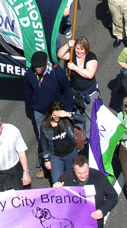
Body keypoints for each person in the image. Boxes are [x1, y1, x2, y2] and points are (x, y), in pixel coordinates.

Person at [25, 51, 74, 179]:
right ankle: (45, 166)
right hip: (40, 112)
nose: (37, 69)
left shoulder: (57, 72)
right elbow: (29, 92)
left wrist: (67, 111)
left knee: (62, 135)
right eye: (35, 67)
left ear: (46, 64)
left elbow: (67, 91)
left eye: (39, 67)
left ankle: (68, 161)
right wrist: (33, 105)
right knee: (43, 138)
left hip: (56, 111)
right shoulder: (29, 74)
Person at [57, 38, 100, 133]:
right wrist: (68, 45)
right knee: (77, 115)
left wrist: (75, 68)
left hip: (88, 93)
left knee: (90, 116)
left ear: (86, 49)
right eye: (77, 48)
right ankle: (80, 134)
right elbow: (60, 55)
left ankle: (89, 137)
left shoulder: (91, 57)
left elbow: (89, 74)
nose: (79, 51)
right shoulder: (72, 55)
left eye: (81, 49)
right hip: (75, 93)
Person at [41, 101, 78, 185]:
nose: (57, 118)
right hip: (55, 157)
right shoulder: (44, 125)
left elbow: (82, 119)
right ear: (50, 114)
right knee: (57, 183)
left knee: (71, 180)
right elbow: (44, 143)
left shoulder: (66, 120)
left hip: (71, 154)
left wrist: (67, 114)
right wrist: (46, 160)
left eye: (58, 115)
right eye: (54, 115)